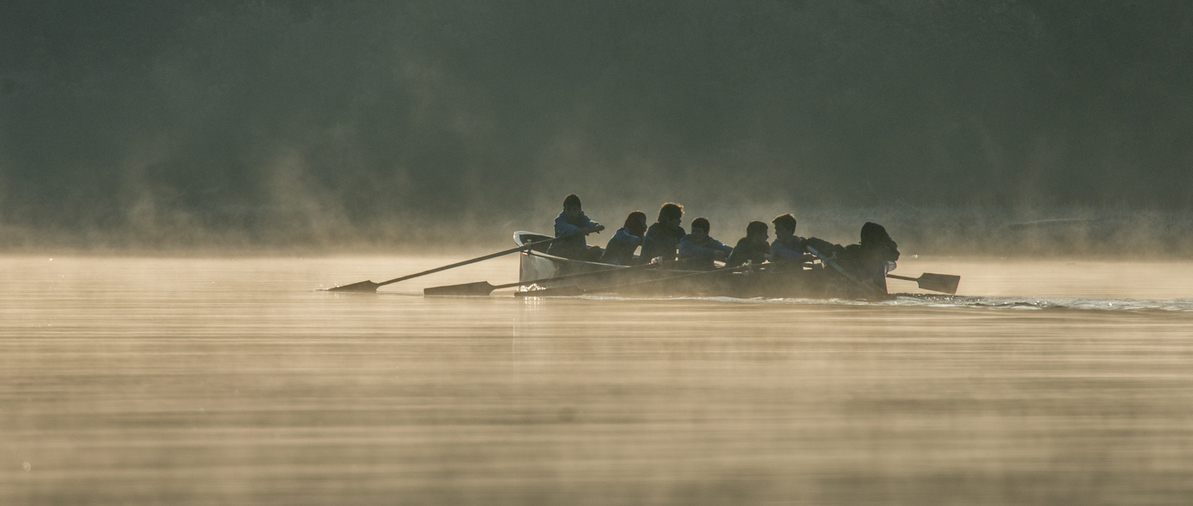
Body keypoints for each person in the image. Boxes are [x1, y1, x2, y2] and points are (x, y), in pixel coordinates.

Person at [836, 222, 900, 293]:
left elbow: (894, 253)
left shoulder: (853, 252)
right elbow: (894, 253)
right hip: (870, 291)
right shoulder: (879, 254)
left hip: (869, 290)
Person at [546, 194, 605, 261]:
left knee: (596, 250)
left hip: (577, 254)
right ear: (564, 210)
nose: (571, 213)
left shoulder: (581, 217)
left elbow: (588, 222)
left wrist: (595, 225)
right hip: (559, 254)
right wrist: (579, 230)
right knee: (567, 251)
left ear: (580, 210)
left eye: (574, 209)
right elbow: (566, 228)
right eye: (568, 210)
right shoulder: (560, 221)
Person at [770, 213, 841, 269]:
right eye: (776, 229)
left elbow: (813, 246)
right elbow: (788, 254)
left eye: (779, 230)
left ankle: (839, 252)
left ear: (789, 230)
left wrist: (830, 253)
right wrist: (803, 257)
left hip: (798, 277)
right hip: (779, 277)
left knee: (812, 241)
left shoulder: (799, 241)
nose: (776, 232)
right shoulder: (775, 245)